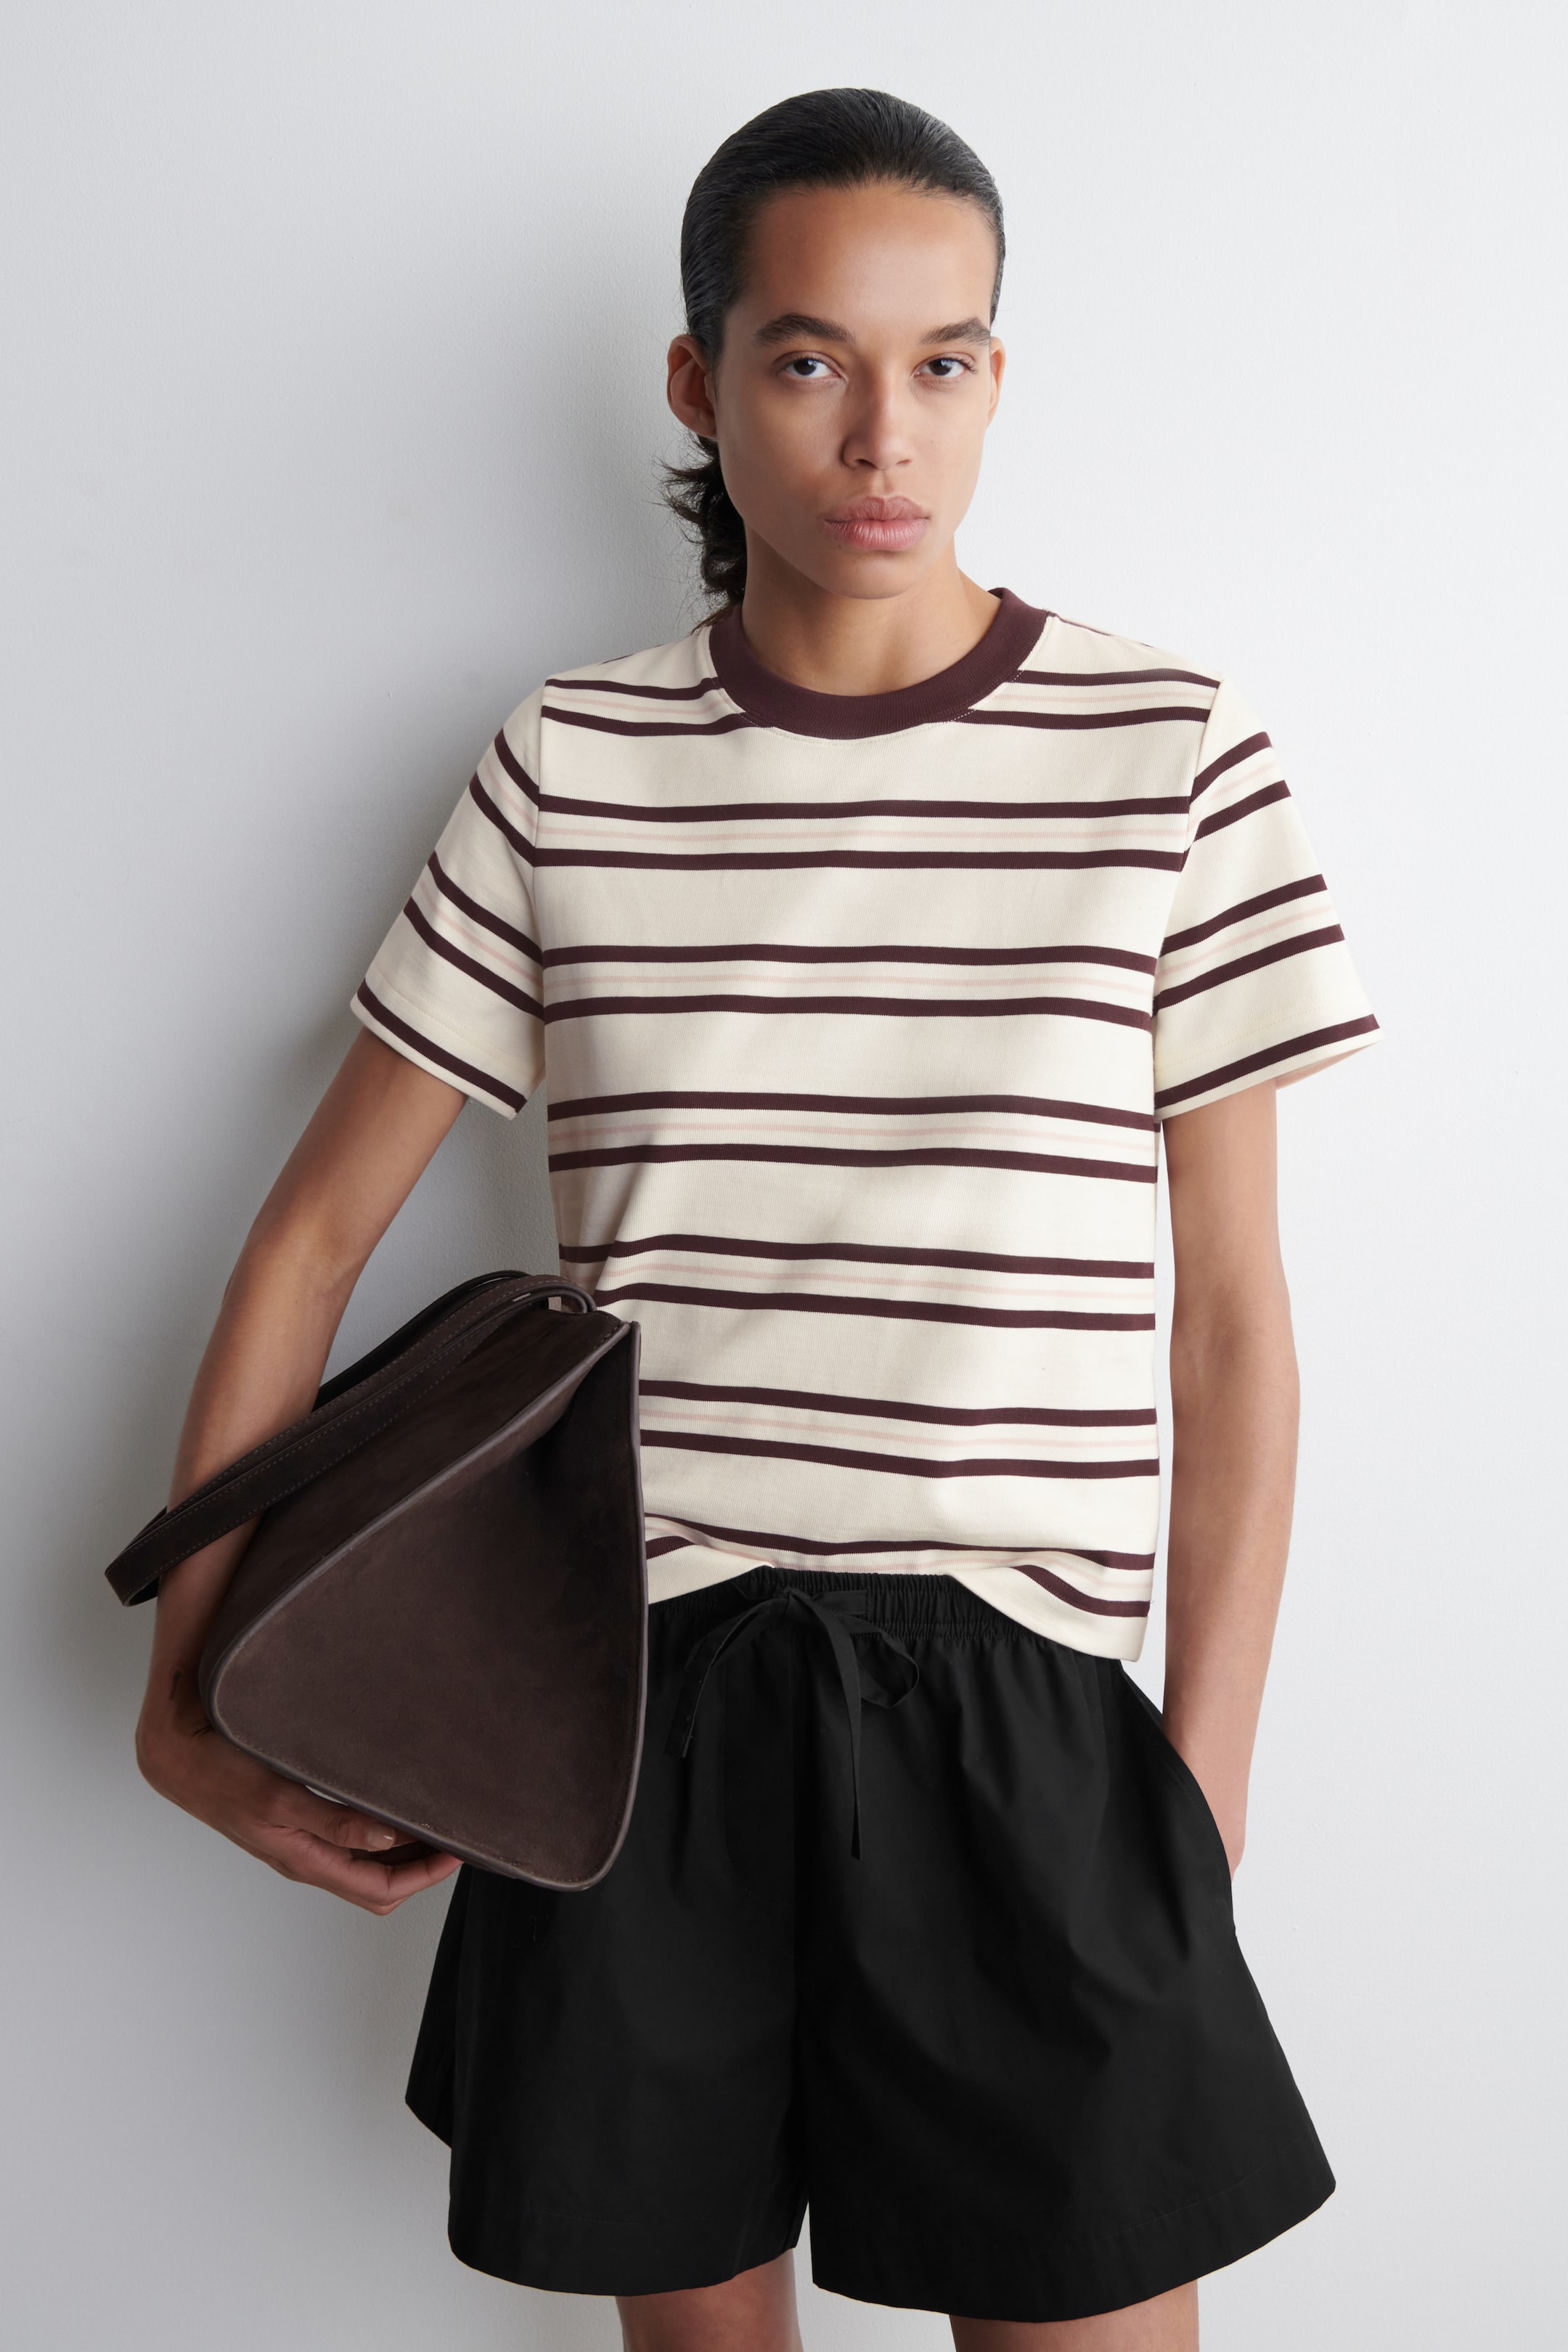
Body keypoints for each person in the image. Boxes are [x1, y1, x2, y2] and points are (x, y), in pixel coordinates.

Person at [132, 86, 1377, 2352]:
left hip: (1029, 1715)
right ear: (700, 382)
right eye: (810, 360)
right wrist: (182, 1693)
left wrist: (1197, 1789)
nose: (885, 435)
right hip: (642, 1713)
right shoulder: (572, 764)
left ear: (996, 374)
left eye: (944, 360)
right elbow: (309, 1240)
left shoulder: (1171, 754)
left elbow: (1232, 1320)